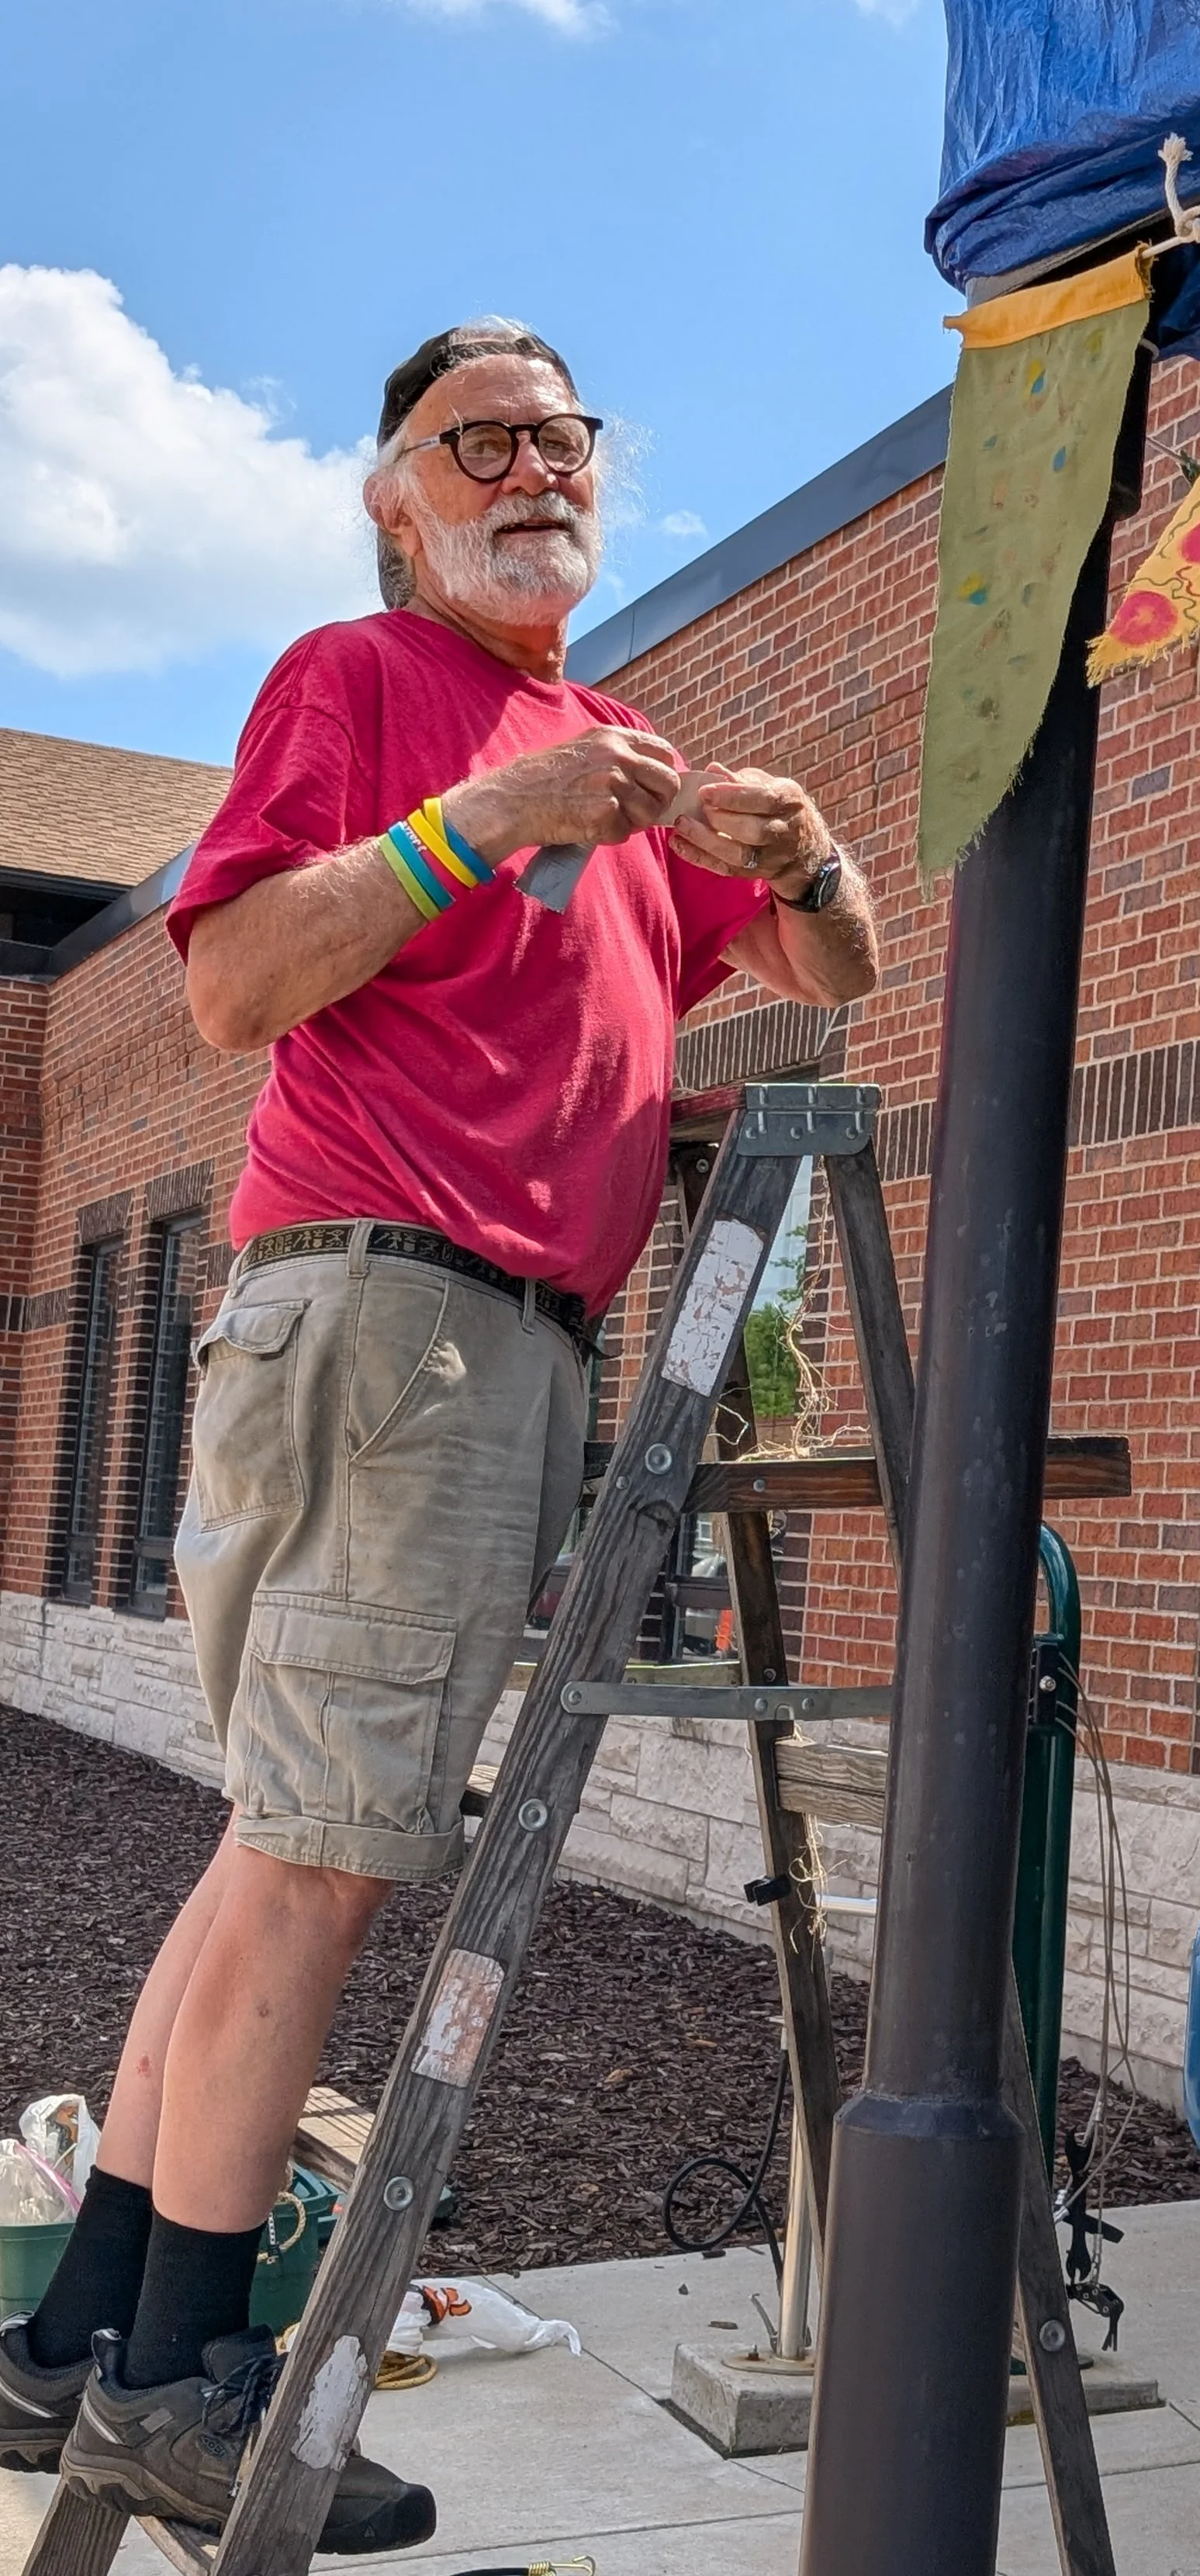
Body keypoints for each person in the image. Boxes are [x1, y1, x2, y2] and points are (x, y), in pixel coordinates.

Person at [0, 318, 878, 2547]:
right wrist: (475, 819)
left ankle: (76, 2337)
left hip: (475, 1345)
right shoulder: (362, 684)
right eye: (474, 439)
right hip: (395, 1319)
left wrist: (806, 854)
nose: (530, 465)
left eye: (564, 431)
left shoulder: (620, 750)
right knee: (324, 1856)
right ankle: (192, 2381)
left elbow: (829, 977)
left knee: (268, 1838)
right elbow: (226, 989)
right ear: (396, 499)